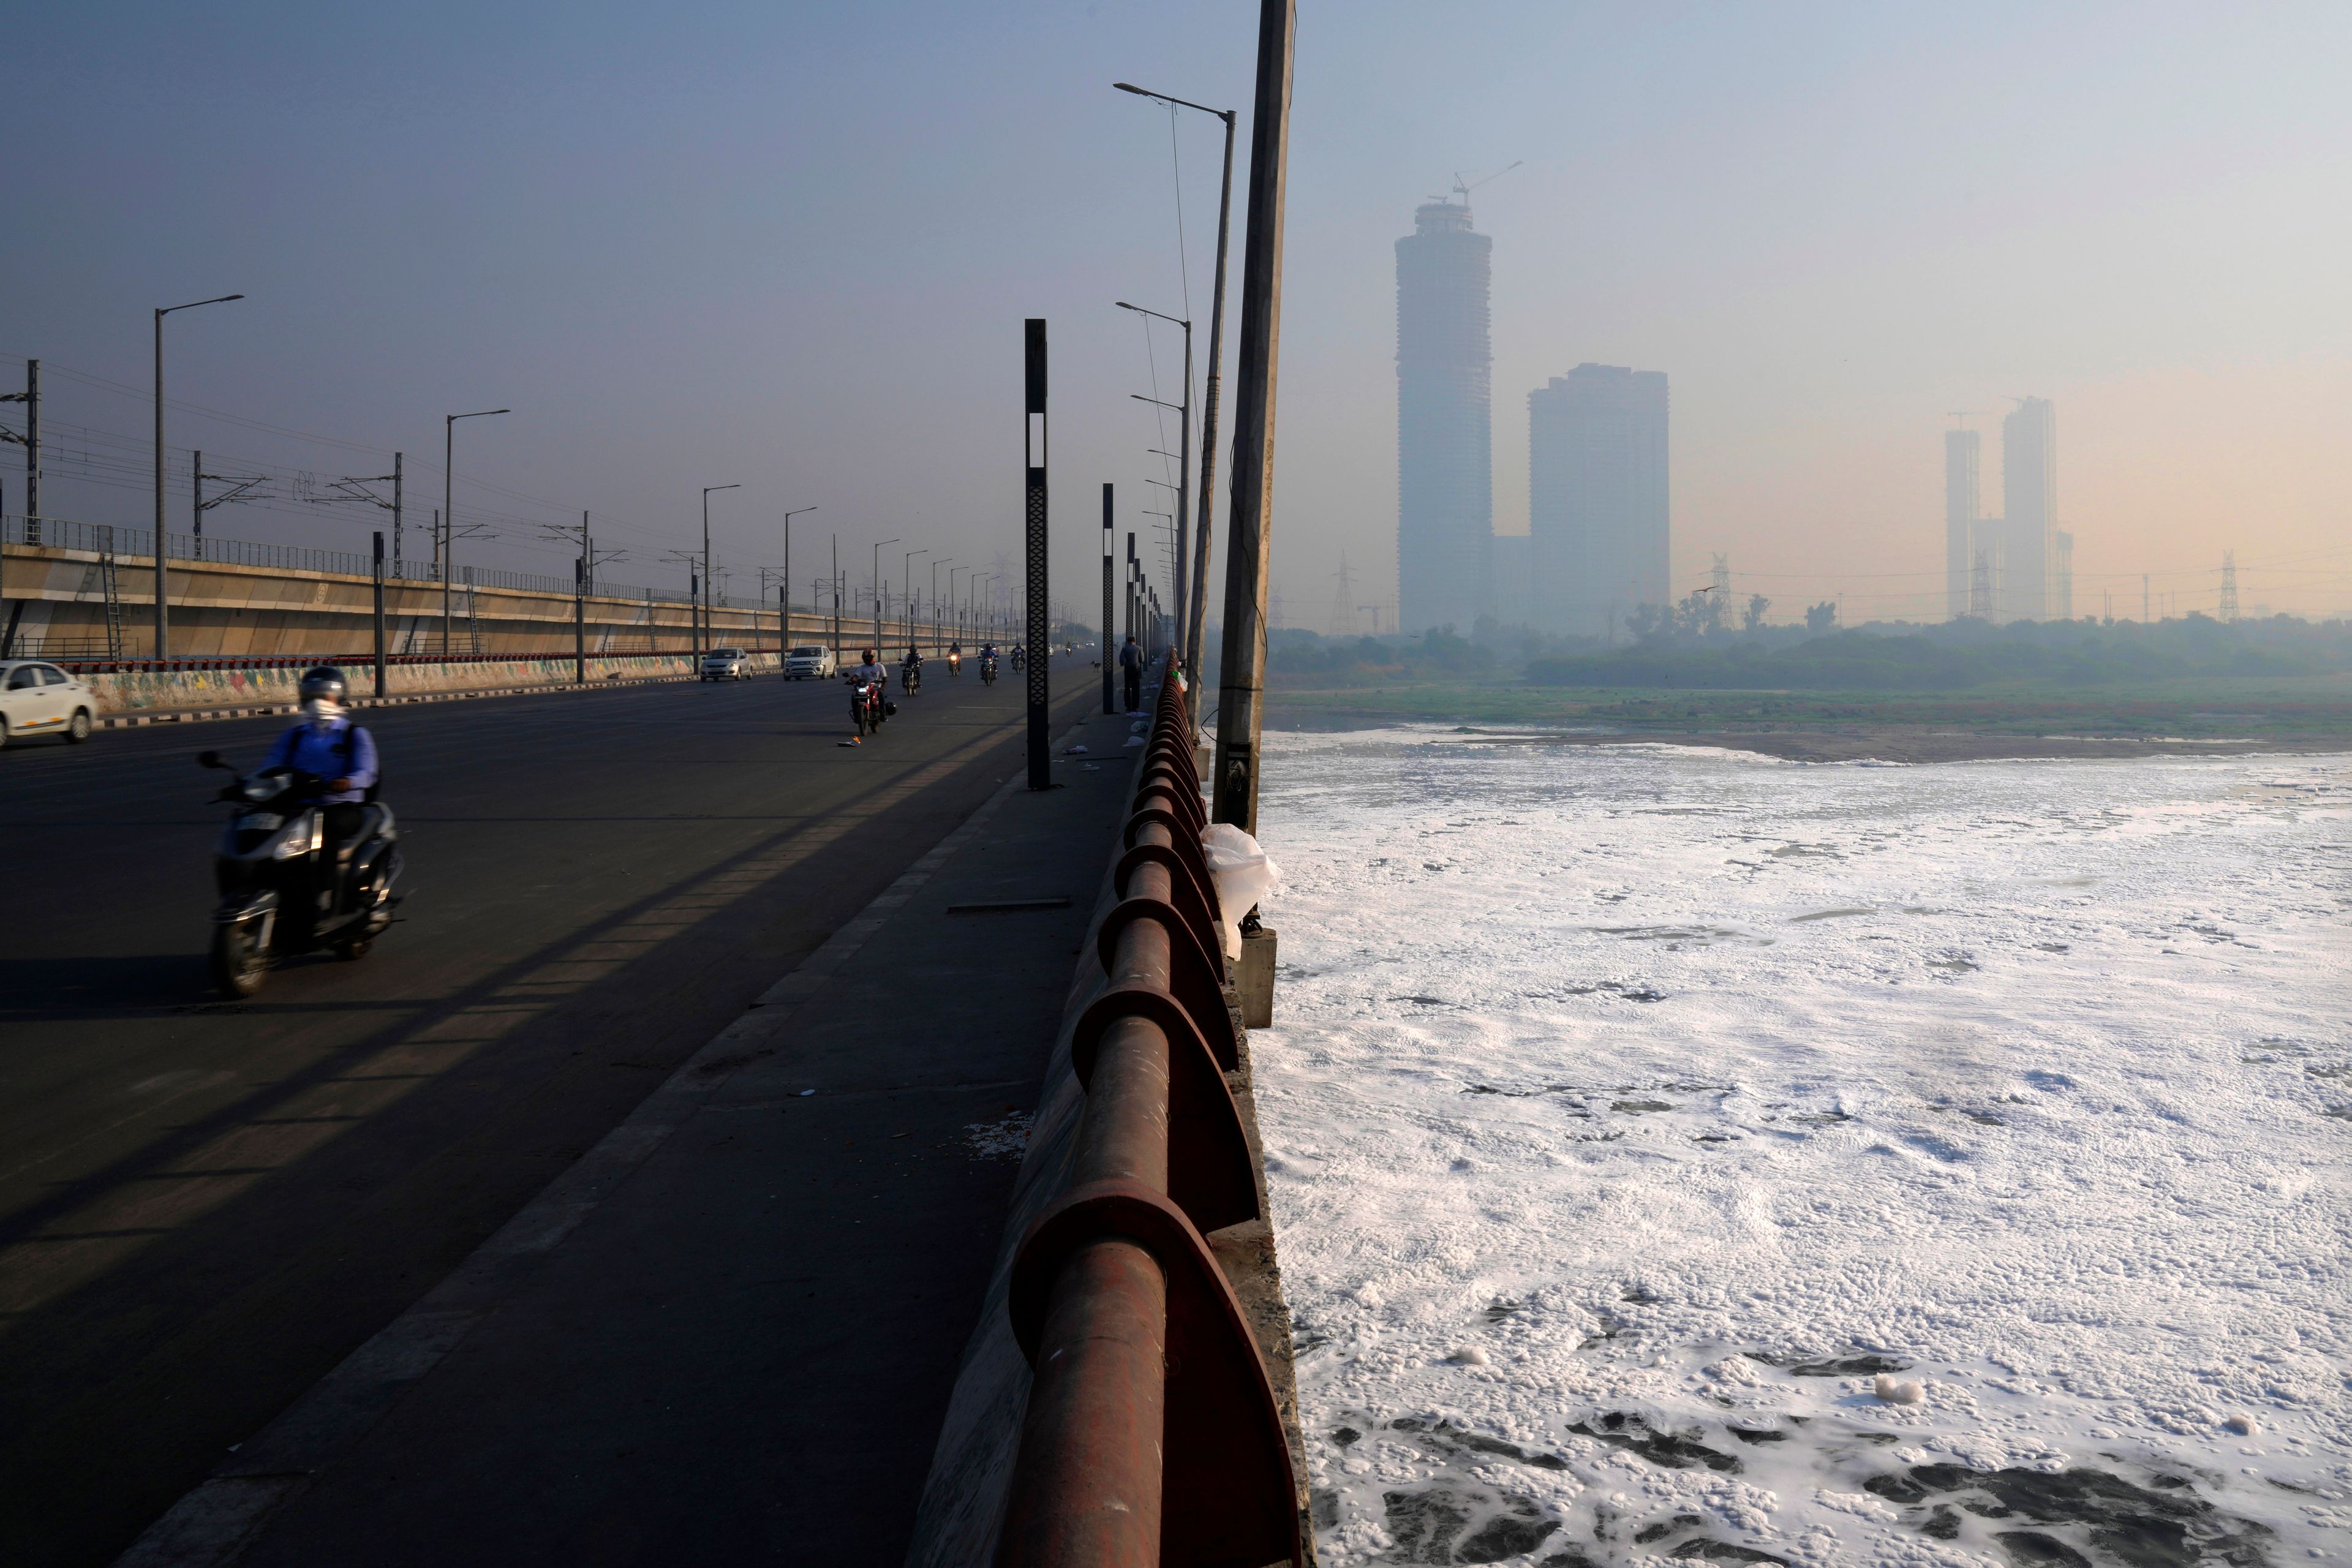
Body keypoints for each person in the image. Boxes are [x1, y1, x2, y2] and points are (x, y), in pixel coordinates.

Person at [262, 666, 379, 861]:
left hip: (340, 805)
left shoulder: (354, 734)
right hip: (300, 806)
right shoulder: (294, 736)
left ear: (338, 698)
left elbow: (367, 772)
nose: (319, 702)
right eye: (312, 696)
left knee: (327, 826)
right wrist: (249, 784)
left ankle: (326, 886)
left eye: (325, 696)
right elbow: (270, 767)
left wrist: (347, 782)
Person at [1119, 633, 1143, 712]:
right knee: (1136, 688)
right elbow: (1142, 660)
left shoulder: (1125, 649)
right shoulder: (1139, 648)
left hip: (1128, 669)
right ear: (1134, 641)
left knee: (1127, 687)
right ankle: (1135, 706)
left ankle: (1128, 706)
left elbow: (1122, 661)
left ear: (1127, 642)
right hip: (1136, 670)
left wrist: (1123, 663)